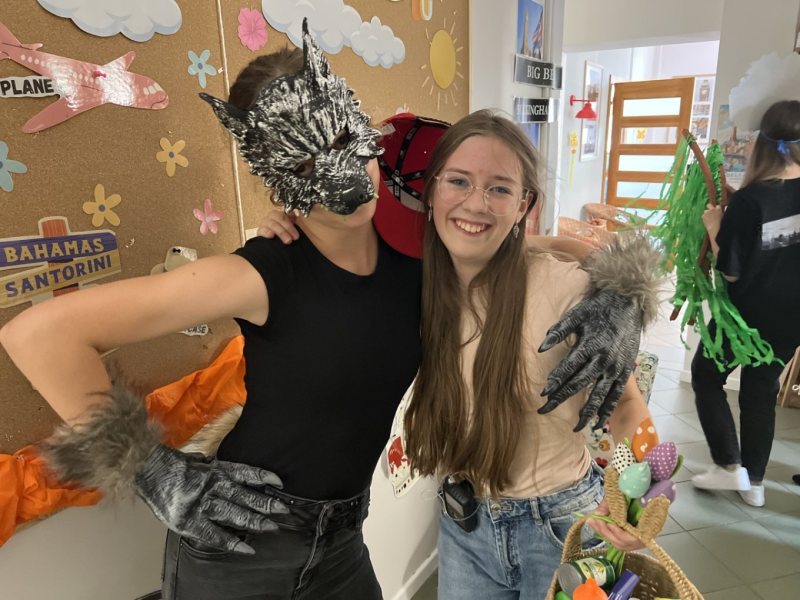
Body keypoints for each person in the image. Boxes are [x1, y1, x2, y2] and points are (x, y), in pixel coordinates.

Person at [0, 26, 419, 600]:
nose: (341, 179)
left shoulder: (414, 254)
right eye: (301, 166)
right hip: (241, 553)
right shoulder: (263, 272)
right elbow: (40, 335)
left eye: (345, 137)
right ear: (273, 178)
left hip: (344, 544)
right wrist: (153, 471)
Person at [260, 110, 662, 599]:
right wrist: (293, 230)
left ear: (523, 204)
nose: (475, 203)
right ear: (431, 191)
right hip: (463, 524)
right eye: (458, 181)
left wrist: (634, 495)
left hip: (562, 525)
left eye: (499, 188)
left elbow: (627, 408)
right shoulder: (415, 282)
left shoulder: (567, 291)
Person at [691, 99, 800, 508]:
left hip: (745, 317)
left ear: (762, 143)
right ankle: (754, 483)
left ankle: (727, 464)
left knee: (706, 375)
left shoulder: (752, 200)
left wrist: (715, 226)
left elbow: (732, 272)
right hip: (791, 318)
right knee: (760, 391)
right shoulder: (755, 199)